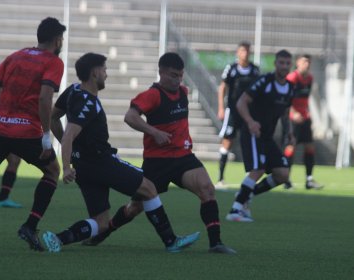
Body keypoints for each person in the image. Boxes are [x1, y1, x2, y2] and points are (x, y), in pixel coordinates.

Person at [43, 52, 200, 253]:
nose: (107, 75)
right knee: (149, 188)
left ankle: (58, 238)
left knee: (101, 223)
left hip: (84, 167)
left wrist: (73, 155)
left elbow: (53, 117)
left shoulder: (73, 90)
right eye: (105, 70)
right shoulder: (88, 104)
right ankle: (171, 241)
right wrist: (65, 166)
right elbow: (68, 136)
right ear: (94, 73)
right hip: (101, 162)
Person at [83, 52, 235, 254]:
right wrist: (154, 132)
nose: (177, 79)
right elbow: (130, 117)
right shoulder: (152, 95)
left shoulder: (183, 91)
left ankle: (215, 243)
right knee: (134, 208)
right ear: (161, 72)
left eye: (180, 75)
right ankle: (105, 231)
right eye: (173, 75)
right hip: (157, 162)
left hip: (183, 158)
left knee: (207, 189)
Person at [0, 17, 66, 251]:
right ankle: (30, 226)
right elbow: (44, 97)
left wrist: (4, 111)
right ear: (57, 39)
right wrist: (47, 134)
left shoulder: (15, 56)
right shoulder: (53, 62)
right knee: (52, 171)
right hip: (26, 131)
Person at [226, 49, 295, 222]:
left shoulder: (290, 88)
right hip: (251, 132)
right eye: (281, 62)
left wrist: (290, 132)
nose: (284, 66)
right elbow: (242, 102)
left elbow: (286, 113)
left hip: (266, 136)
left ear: (290, 65)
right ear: (275, 64)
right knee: (258, 169)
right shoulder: (264, 81)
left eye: (287, 63)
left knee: (282, 174)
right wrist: (250, 122)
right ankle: (235, 211)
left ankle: (245, 195)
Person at [216, 41, 260, 188]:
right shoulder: (232, 69)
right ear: (238, 52)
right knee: (227, 141)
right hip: (233, 112)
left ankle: (249, 177)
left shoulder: (254, 70)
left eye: (248, 51)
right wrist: (221, 108)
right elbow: (222, 87)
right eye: (243, 51)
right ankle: (220, 178)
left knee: (248, 142)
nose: (245, 53)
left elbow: (259, 91)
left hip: (249, 112)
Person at [282, 54, 323, 190]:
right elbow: (286, 99)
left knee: (310, 147)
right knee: (291, 147)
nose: (307, 64)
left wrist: (306, 112)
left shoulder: (309, 79)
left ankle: (309, 180)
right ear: (297, 63)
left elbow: (305, 98)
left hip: (305, 118)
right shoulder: (292, 78)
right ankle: (285, 179)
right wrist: (293, 113)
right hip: (293, 118)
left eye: (309, 62)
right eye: (304, 61)